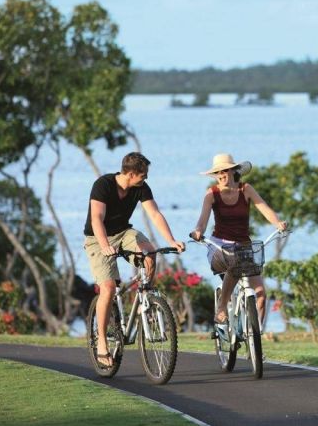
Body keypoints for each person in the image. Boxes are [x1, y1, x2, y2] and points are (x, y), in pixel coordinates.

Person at [83, 152, 185, 367]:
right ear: (130, 173)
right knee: (108, 288)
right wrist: (104, 246)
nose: (145, 178)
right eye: (143, 175)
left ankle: (145, 300)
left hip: (124, 233)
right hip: (97, 237)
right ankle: (101, 341)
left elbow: (155, 214)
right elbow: (96, 218)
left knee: (149, 253)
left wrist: (172, 240)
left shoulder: (140, 188)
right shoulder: (103, 185)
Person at [190, 153, 287, 334]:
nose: (221, 175)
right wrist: (198, 232)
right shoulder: (212, 194)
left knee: (260, 295)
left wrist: (278, 224)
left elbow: (264, 208)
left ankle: (254, 339)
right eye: (217, 172)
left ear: (234, 171)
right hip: (219, 247)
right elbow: (202, 222)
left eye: (224, 170)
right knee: (234, 266)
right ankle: (221, 308)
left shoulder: (246, 189)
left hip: (243, 247)